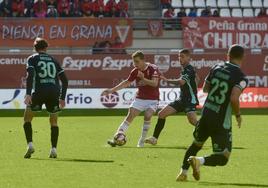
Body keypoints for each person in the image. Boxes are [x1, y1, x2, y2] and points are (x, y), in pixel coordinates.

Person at [176, 44, 248, 181]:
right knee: (223, 156)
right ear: (243, 57)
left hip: (206, 114)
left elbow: (205, 88)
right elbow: (234, 97)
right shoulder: (241, 77)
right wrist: (238, 115)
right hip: (220, 120)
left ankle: (183, 173)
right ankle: (199, 161)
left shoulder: (216, 67)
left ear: (228, 55)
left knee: (196, 144)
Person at [102, 51, 160, 147]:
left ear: (143, 60)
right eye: (134, 62)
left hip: (153, 99)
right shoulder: (135, 71)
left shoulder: (153, 68)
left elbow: (155, 83)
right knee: (130, 114)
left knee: (148, 115)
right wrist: (112, 91)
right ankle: (117, 138)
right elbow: (126, 82)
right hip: (140, 99)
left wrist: (143, 79)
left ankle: (141, 141)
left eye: (137, 62)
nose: (135, 64)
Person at [23, 38, 68, 159]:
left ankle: (30, 145)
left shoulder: (32, 58)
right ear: (46, 48)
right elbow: (65, 80)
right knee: (54, 122)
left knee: (27, 119)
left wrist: (28, 93)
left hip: (39, 91)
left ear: (35, 47)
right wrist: (62, 98)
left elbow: (30, 75)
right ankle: (54, 149)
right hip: (54, 92)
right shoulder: (54, 60)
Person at [145, 49, 199, 145]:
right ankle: (154, 138)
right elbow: (197, 79)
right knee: (161, 114)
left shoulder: (189, 68)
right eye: (179, 56)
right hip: (182, 99)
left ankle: (210, 131)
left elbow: (181, 82)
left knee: (193, 121)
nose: (179, 58)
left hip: (189, 99)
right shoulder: (186, 69)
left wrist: (167, 80)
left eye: (182, 56)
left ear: (188, 57)